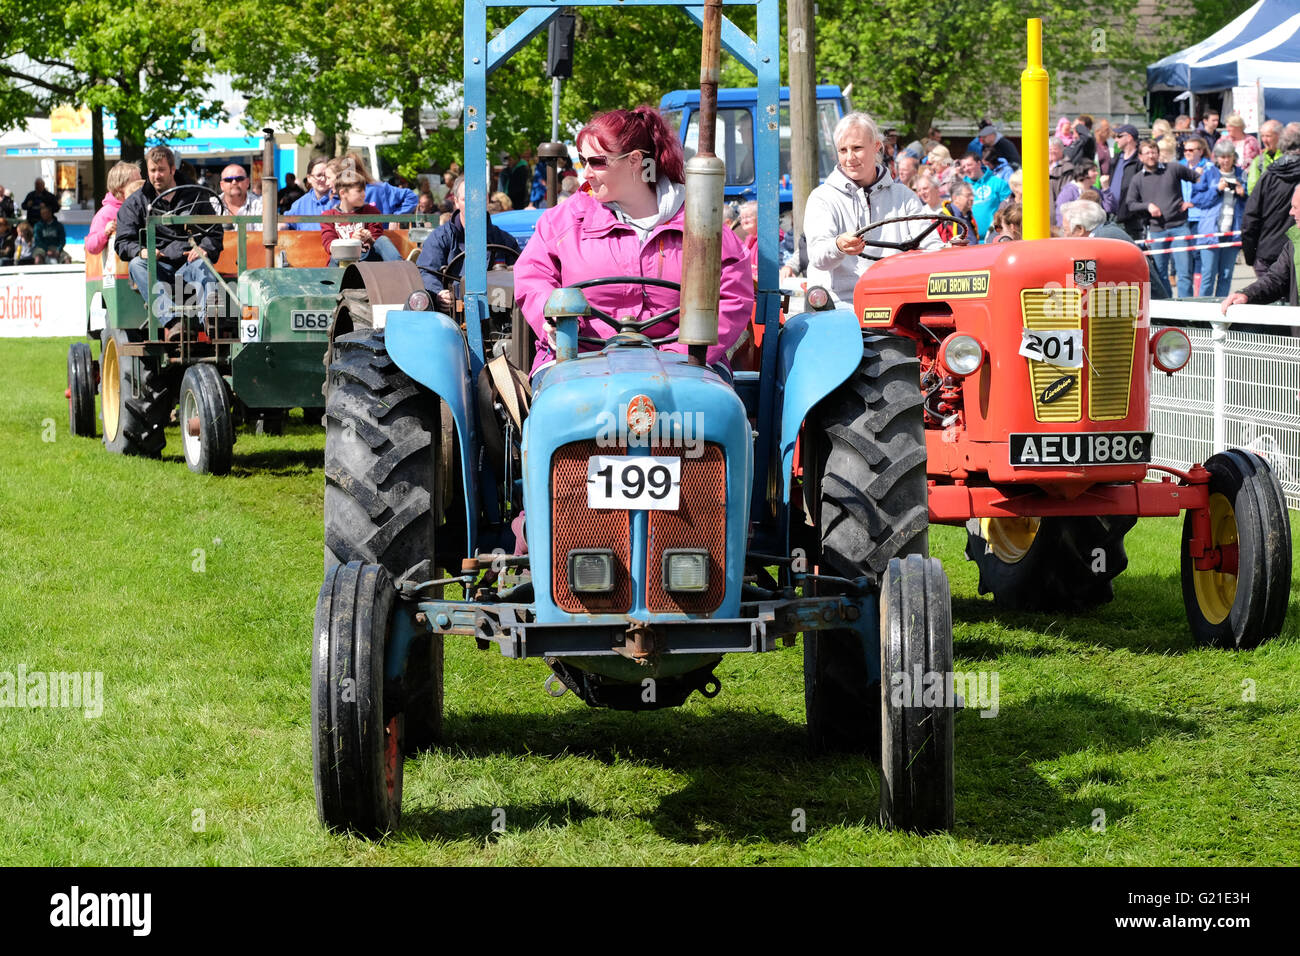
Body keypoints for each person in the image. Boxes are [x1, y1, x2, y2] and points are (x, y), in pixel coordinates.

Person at [513, 105, 753, 374]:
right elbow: (533, 276)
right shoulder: (563, 221)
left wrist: (677, 356)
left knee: (713, 410)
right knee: (561, 409)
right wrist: (552, 313)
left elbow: (732, 294)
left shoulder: (699, 222)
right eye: (583, 160)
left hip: (684, 367)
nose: (586, 173)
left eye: (597, 162)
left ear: (635, 160)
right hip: (579, 361)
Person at [803, 111, 944, 305]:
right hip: (841, 305)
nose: (850, 157)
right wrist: (838, 246)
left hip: (897, 303)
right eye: (843, 150)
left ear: (877, 147)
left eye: (857, 148)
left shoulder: (903, 197)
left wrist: (946, 253)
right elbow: (818, 257)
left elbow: (932, 247)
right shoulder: (822, 198)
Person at [114, 144, 224, 340]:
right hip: (157, 266)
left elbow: (214, 230)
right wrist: (142, 251)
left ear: (173, 169)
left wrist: (204, 248)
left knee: (203, 263)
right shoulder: (136, 202)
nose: (157, 175)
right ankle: (173, 323)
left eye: (162, 170)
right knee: (136, 264)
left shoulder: (196, 195)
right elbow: (123, 241)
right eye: (153, 170)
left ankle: (211, 317)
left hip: (189, 263)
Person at [416, 175, 520, 309]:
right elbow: (426, 271)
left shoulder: (504, 241)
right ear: (456, 201)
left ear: (487, 200)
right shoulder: (440, 238)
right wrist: (438, 293)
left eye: (478, 199)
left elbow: (524, 271)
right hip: (455, 316)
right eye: (466, 200)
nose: (473, 205)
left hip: (499, 314)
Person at [1124, 138, 1202, 297]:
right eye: (1147, 153)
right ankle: (1169, 307)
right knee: (1160, 274)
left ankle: (1186, 310)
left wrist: (1194, 201)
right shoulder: (1138, 179)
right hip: (1157, 230)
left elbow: (1199, 179)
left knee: (1184, 272)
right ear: (1140, 157)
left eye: (1154, 152)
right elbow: (1130, 203)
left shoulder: (1173, 168)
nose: (1151, 156)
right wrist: (1147, 206)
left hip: (1180, 227)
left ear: (1158, 154)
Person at [1059, 198, 1171, 298]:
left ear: (1080, 229)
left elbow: (1082, 287)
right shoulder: (1107, 232)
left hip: (1147, 309)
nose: (1064, 235)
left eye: (1065, 230)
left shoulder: (1100, 241)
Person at [1222, 183, 1300, 310]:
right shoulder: (1293, 244)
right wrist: (1246, 294)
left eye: (1295, 207)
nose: (1290, 212)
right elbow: (1276, 280)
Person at [1241, 125, 1300, 278]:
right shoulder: (1268, 173)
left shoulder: (1268, 176)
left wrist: (1251, 256)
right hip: (1279, 253)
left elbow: (1250, 218)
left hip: (1268, 253)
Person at [1191, 139, 1248, 297]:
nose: (1225, 160)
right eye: (1222, 157)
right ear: (1216, 157)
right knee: (1208, 275)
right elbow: (1196, 199)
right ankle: (1203, 314)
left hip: (1233, 231)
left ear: (1233, 157)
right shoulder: (1209, 173)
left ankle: (1221, 310)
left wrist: (1243, 193)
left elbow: (1251, 202)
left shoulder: (1241, 173)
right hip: (1211, 232)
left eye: (1228, 156)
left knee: (1226, 275)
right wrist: (1216, 189)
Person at [320, 169, 403, 265]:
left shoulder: (371, 212)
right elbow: (329, 245)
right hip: (343, 261)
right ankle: (332, 280)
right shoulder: (329, 216)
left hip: (368, 260)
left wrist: (369, 238)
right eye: (359, 191)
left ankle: (401, 268)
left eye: (364, 190)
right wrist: (352, 242)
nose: (364, 194)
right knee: (336, 254)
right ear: (343, 193)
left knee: (382, 240)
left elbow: (377, 241)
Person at [85, 161, 142, 257]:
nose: (140, 186)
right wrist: (105, 232)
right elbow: (91, 246)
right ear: (120, 187)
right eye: (136, 183)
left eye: (141, 181)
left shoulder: (140, 208)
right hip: (117, 270)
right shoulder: (106, 213)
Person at [959, 150, 1012, 243]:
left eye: (969, 165)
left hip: (994, 240)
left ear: (979, 164)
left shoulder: (998, 183)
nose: (966, 168)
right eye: (963, 166)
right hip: (970, 241)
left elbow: (1009, 209)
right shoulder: (961, 188)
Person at [1106, 124, 1143, 232]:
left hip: (1131, 217)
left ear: (1129, 138)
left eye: (1119, 136)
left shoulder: (1139, 160)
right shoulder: (1117, 158)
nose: (1116, 139)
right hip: (1113, 215)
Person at [284, 156, 334, 230]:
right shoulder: (300, 204)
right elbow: (285, 223)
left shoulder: (340, 200)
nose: (323, 179)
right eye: (319, 175)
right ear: (309, 178)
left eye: (326, 175)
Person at [219, 163, 262, 230]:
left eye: (239, 179)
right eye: (229, 180)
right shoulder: (210, 204)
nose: (234, 182)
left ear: (247, 182)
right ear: (221, 185)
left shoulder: (260, 204)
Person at [1247, 119, 1284, 193]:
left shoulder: (1288, 157)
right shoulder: (1259, 160)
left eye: (1268, 136)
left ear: (1279, 136)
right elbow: (1252, 190)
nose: (1264, 140)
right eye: (1262, 136)